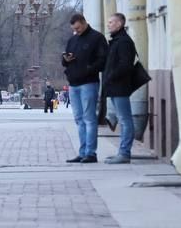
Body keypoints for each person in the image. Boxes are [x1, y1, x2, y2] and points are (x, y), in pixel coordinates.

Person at [62, 12, 108, 163]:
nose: (77, 31)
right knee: (79, 119)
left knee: (89, 118)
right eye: (74, 29)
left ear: (84, 22)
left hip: (89, 82)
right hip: (73, 84)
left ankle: (91, 153)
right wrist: (66, 60)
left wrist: (88, 69)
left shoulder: (97, 38)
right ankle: (82, 152)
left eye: (78, 28)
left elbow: (103, 60)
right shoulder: (73, 40)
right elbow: (65, 61)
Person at [103, 12, 147, 164]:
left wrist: (110, 76)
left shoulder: (124, 42)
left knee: (125, 120)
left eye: (111, 22)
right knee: (123, 120)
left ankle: (124, 153)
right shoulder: (117, 40)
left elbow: (125, 65)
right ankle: (122, 152)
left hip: (120, 86)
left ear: (119, 24)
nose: (108, 24)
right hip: (115, 86)